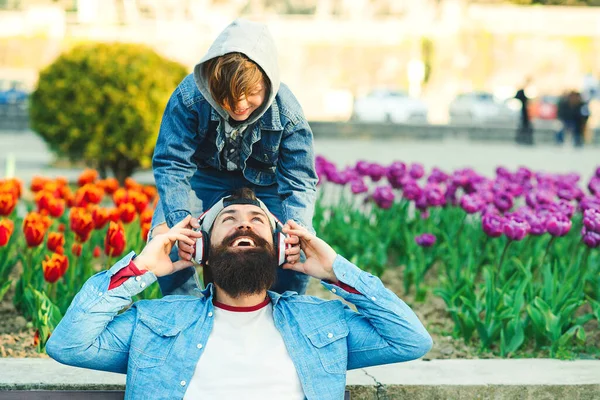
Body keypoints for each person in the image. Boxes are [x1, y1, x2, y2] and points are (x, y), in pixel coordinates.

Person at [46, 188, 432, 400]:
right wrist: (141, 270)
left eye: (257, 221)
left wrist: (335, 271)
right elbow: (69, 345)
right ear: (202, 251)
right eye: (228, 221)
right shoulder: (156, 320)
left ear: (281, 247)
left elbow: (410, 339)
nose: (242, 225)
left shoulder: (323, 320)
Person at [151, 19, 317, 296]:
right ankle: (187, 311)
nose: (240, 106)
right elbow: (172, 163)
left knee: (295, 249)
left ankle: (285, 311)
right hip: (201, 178)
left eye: (251, 94)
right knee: (167, 241)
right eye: (228, 96)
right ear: (213, 83)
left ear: (268, 83)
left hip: (266, 182)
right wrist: (180, 221)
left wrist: (297, 230)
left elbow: (299, 181)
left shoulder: (289, 114)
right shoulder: (189, 98)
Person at [515, 78, 533, 145]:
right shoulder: (522, 92)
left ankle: (525, 140)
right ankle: (522, 140)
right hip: (523, 113)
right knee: (523, 127)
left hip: (526, 113)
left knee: (526, 128)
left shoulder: (526, 91)